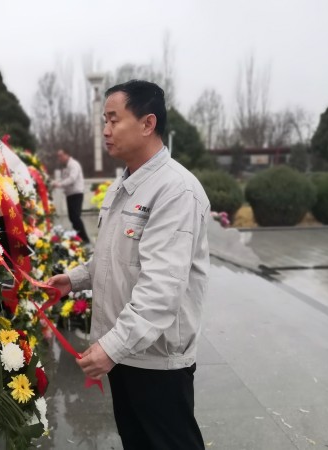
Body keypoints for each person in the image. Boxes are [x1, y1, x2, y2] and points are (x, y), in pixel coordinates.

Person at [47, 80, 210, 450]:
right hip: (124, 349)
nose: (106, 130)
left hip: (156, 360)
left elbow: (162, 289)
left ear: (148, 123)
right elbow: (113, 256)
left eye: (114, 119)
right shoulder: (124, 185)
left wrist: (110, 348)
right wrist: (73, 280)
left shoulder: (175, 191)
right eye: (104, 120)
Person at [53, 149, 90, 244]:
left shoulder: (73, 164)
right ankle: (78, 238)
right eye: (58, 156)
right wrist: (58, 183)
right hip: (70, 194)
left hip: (76, 193)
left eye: (61, 156)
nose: (59, 158)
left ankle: (85, 239)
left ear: (67, 154)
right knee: (72, 217)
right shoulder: (66, 166)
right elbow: (65, 179)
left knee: (75, 217)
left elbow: (72, 178)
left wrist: (59, 184)